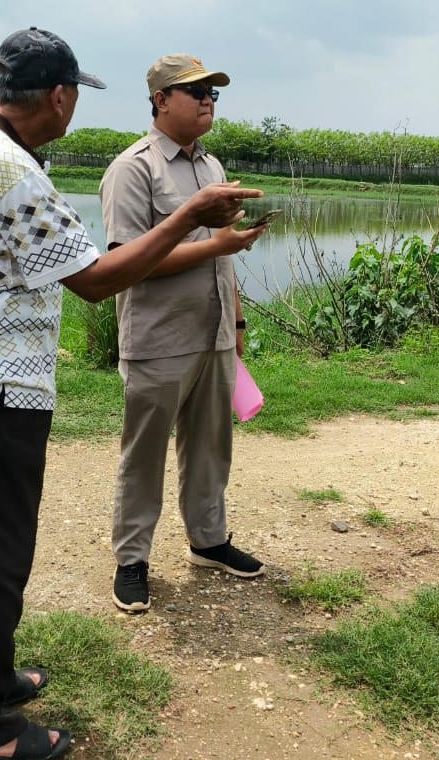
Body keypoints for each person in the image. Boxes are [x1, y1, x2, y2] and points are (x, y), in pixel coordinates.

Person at [0, 29, 261, 760]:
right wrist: (190, 219)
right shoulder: (11, 169)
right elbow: (95, 281)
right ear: (61, 96)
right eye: (196, 92)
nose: (207, 102)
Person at [100, 53, 272, 614]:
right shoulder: (134, 169)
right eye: (194, 91)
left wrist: (236, 321)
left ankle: (209, 541)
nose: (207, 100)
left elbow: (222, 258)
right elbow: (128, 261)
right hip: (159, 337)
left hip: (213, 332)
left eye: (212, 92)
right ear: (160, 100)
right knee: (144, 454)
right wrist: (216, 244)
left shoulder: (212, 167)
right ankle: (132, 559)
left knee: (210, 448)